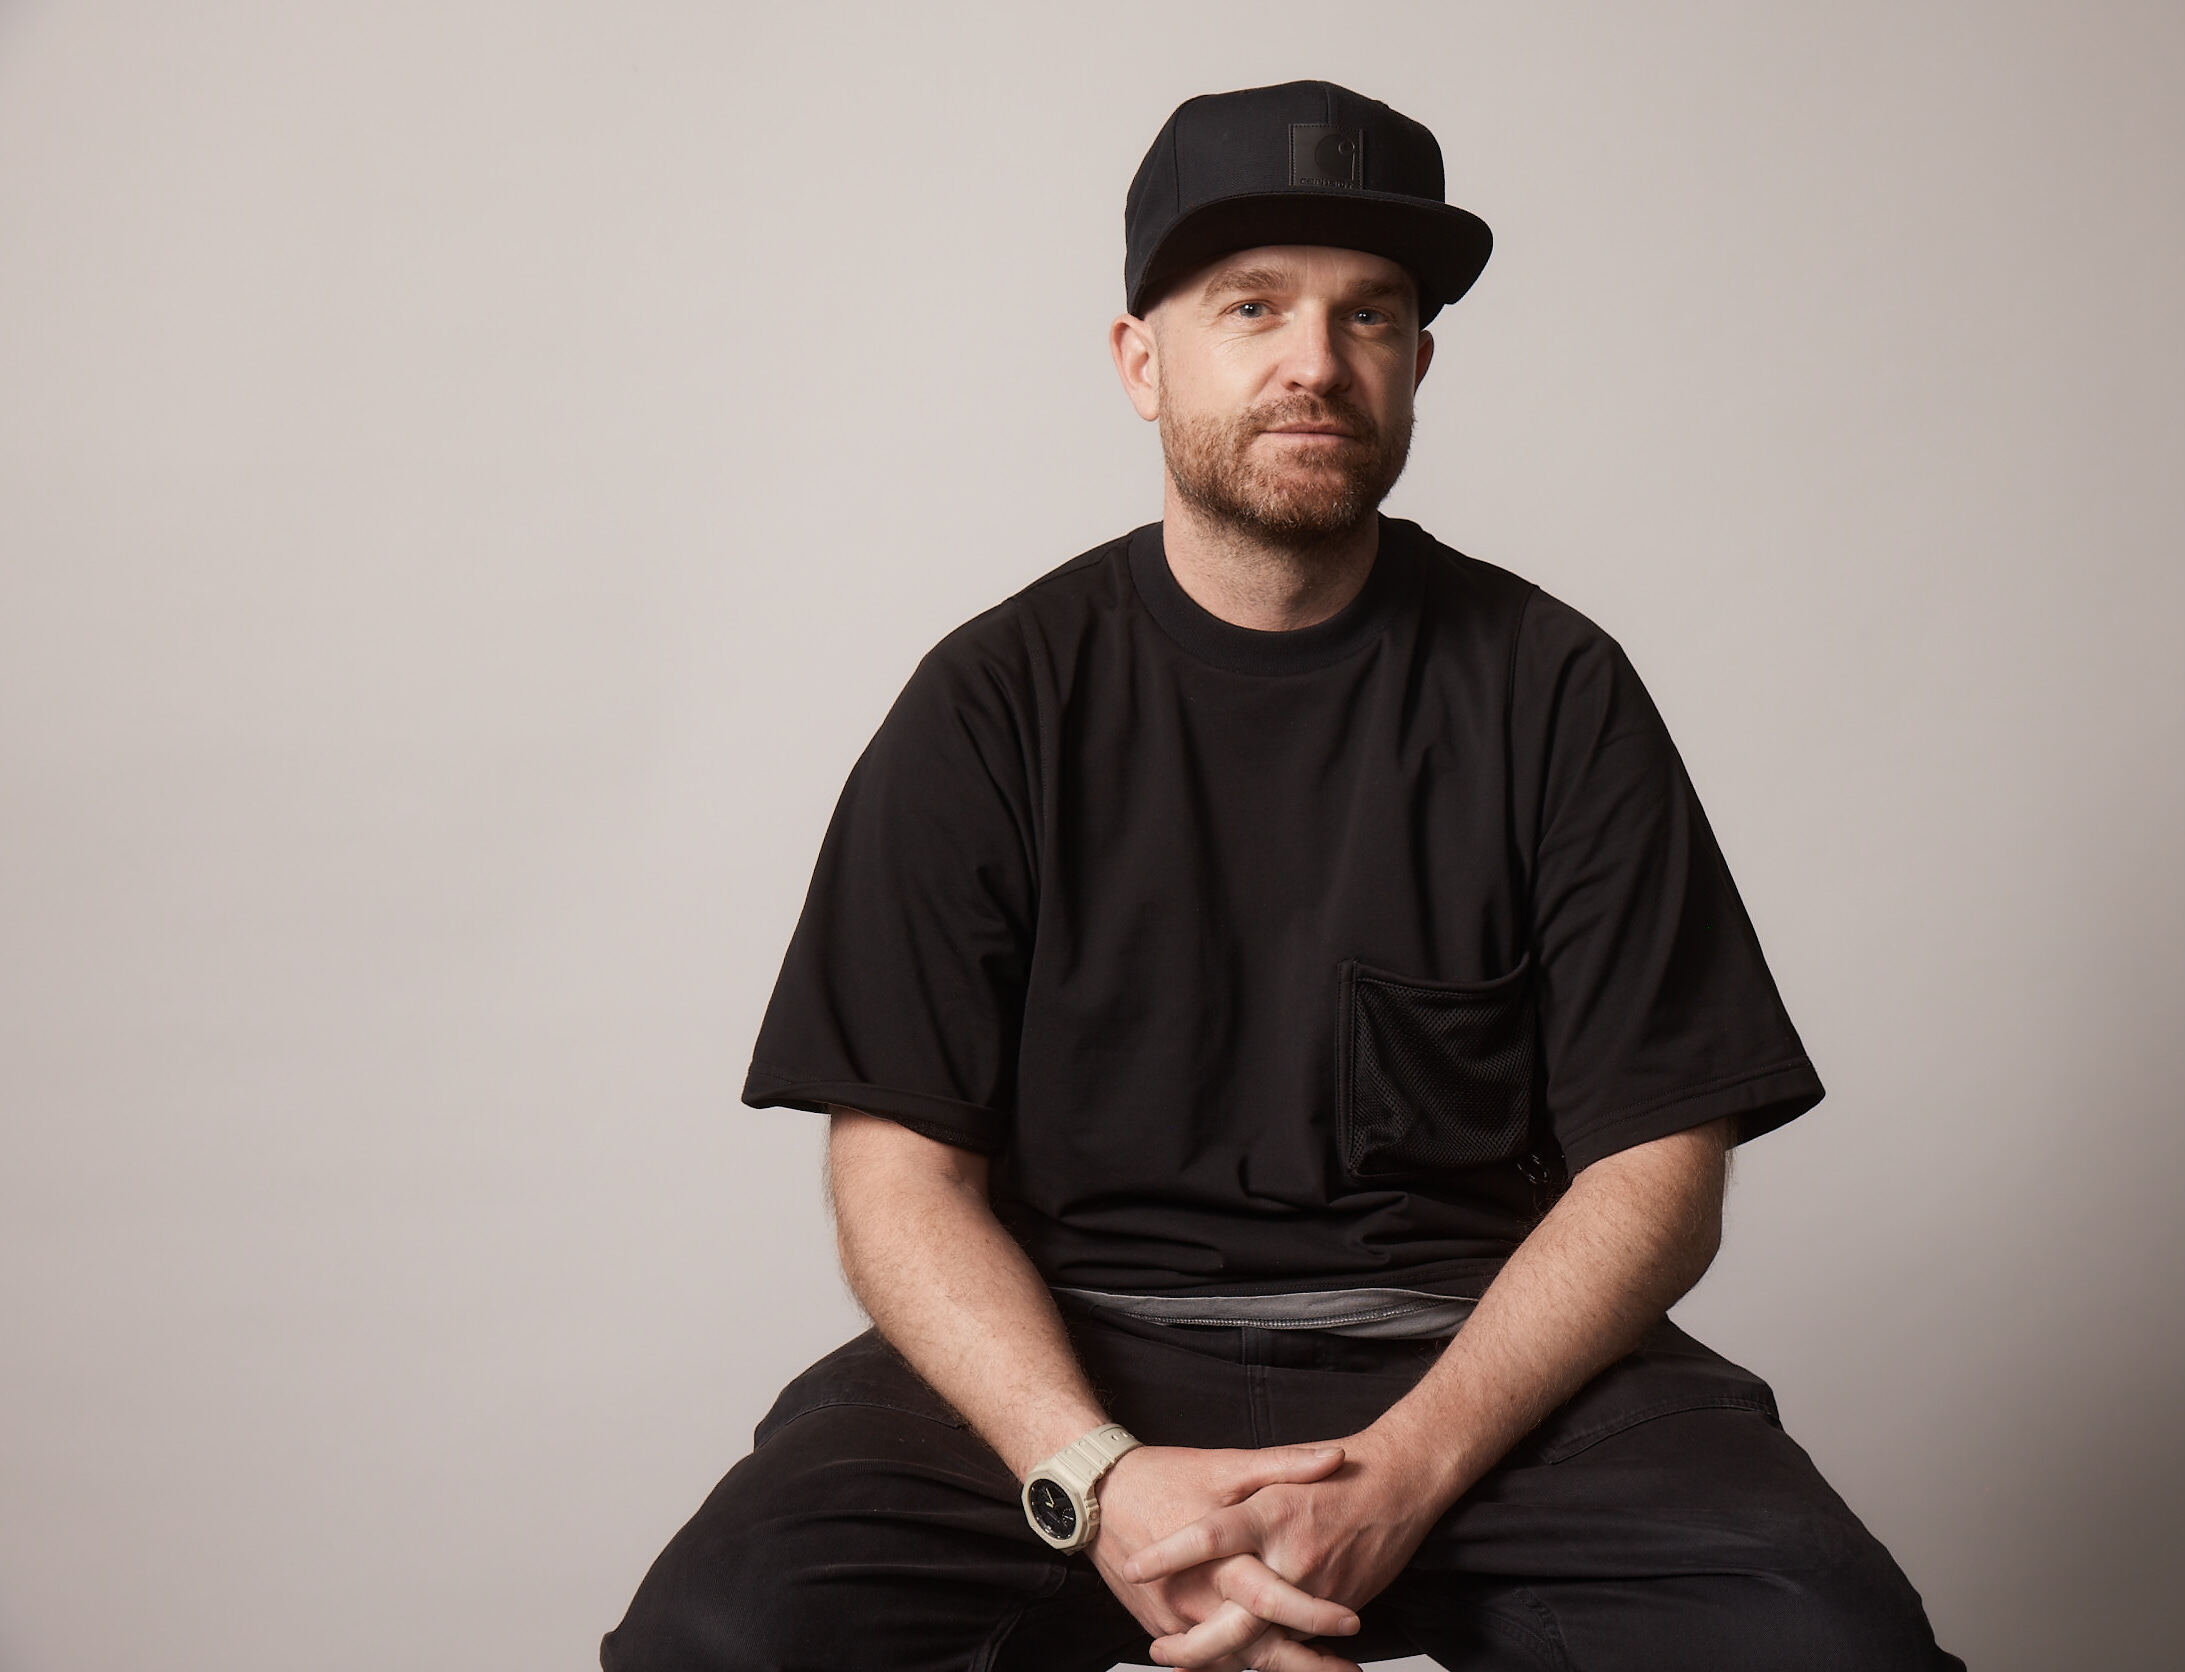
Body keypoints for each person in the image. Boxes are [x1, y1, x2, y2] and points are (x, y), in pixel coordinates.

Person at [604, 80, 1963, 1672]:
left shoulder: (1551, 688)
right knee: (726, 1637)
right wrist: (1094, 1479)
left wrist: (1406, 1471)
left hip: (1474, 1368)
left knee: (1832, 1642)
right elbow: (897, 1173)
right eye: (1251, 305)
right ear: (1141, 359)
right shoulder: (992, 704)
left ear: (1419, 367)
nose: (1316, 362)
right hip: (1075, 1365)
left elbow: (1658, 1163)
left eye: (1370, 316)